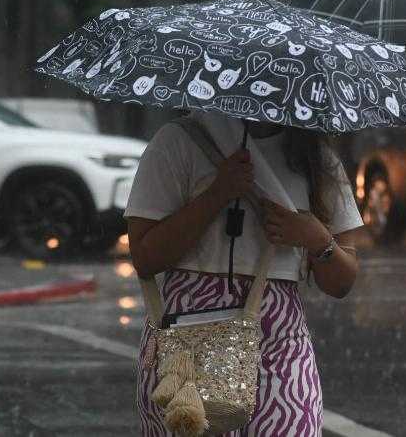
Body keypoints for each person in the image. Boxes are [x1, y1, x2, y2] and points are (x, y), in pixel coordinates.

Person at [125, 111, 363, 437]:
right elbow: (145, 256)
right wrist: (217, 193)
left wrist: (317, 239)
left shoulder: (316, 157)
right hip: (184, 347)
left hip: (278, 344)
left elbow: (342, 282)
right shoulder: (178, 140)